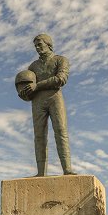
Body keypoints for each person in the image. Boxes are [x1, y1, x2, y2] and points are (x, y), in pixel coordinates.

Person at [18, 33, 75, 176]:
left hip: (55, 98)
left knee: (61, 132)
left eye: (40, 44)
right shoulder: (33, 66)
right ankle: (40, 173)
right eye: (35, 46)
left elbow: (61, 79)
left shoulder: (60, 60)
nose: (37, 48)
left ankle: (67, 169)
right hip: (37, 101)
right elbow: (28, 86)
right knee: (39, 136)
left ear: (48, 44)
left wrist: (37, 86)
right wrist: (23, 93)